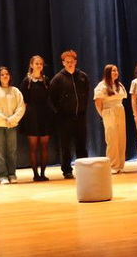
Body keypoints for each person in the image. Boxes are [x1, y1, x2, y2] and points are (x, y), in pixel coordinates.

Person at [48, 49, 90, 179]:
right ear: (63, 63)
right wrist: (59, 112)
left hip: (80, 116)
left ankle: (84, 169)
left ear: (75, 62)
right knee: (65, 146)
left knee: (81, 144)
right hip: (65, 118)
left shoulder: (83, 76)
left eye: (72, 61)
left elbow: (86, 94)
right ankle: (67, 170)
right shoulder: (58, 79)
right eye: (67, 62)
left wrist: (83, 108)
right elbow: (51, 98)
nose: (70, 63)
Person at [0, 66, 25, 185]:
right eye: (2, 74)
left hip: (12, 125)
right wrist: (4, 119)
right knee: (0, 151)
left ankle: (12, 174)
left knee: (12, 151)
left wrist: (12, 119)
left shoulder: (15, 91)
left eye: (7, 74)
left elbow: (21, 107)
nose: (5, 76)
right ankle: (3, 176)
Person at [19, 55, 52, 182]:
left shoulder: (46, 80)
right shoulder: (26, 81)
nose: (39, 65)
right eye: (36, 63)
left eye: (41, 64)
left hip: (45, 115)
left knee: (44, 146)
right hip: (31, 116)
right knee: (33, 147)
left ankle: (43, 173)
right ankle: (35, 174)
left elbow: (50, 97)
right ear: (31, 65)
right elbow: (23, 100)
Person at [94, 64, 128, 174]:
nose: (115, 72)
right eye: (113, 71)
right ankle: (113, 165)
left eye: (116, 70)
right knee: (112, 139)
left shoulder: (119, 85)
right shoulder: (102, 85)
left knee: (121, 138)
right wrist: (103, 115)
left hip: (120, 110)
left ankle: (120, 165)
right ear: (108, 72)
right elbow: (98, 102)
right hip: (108, 111)